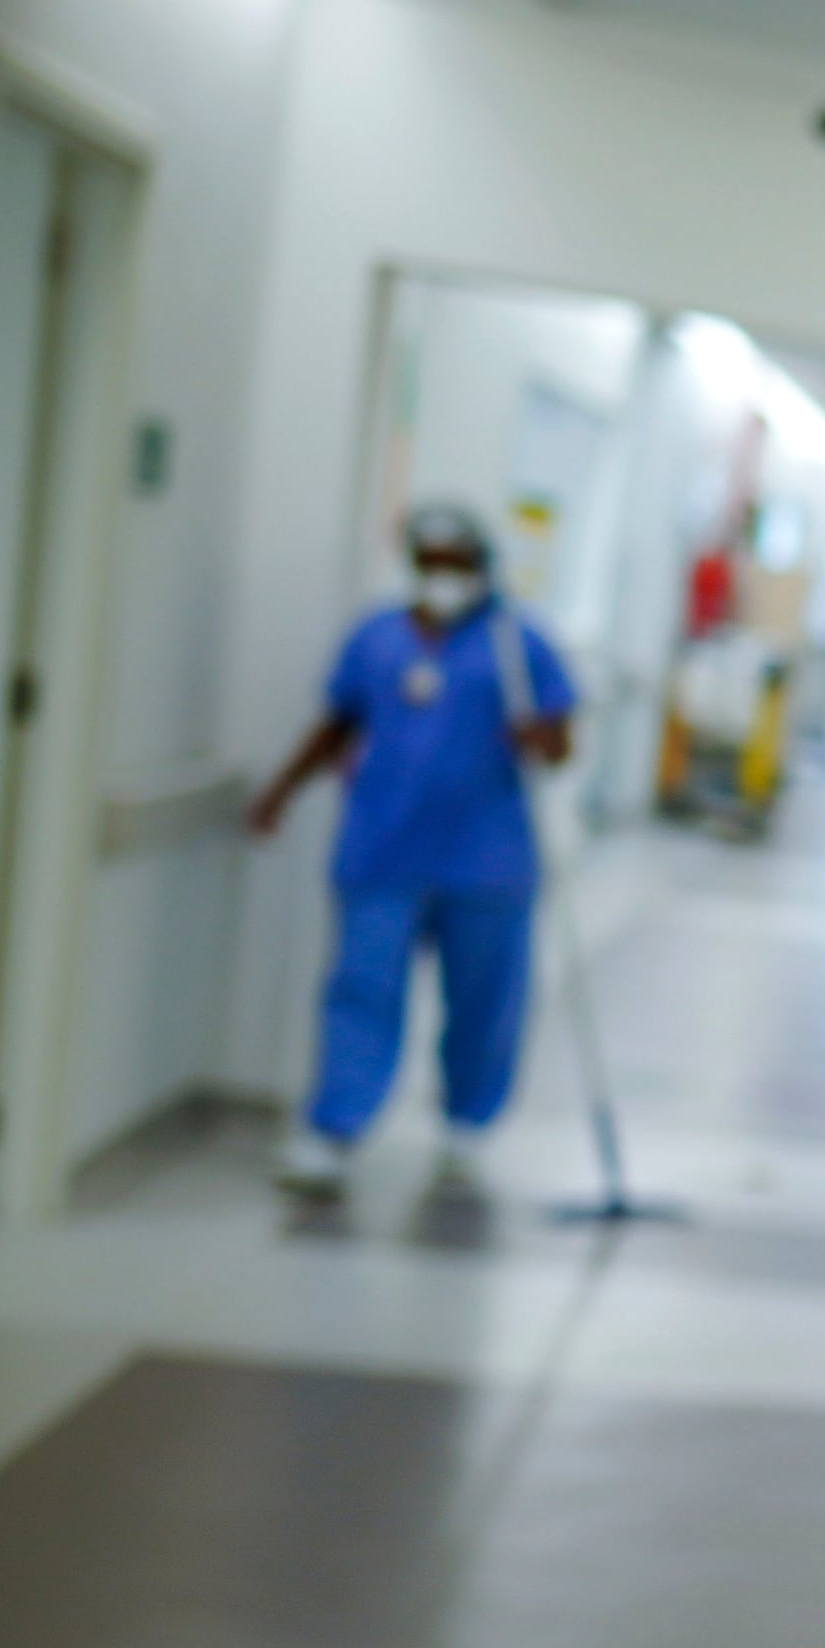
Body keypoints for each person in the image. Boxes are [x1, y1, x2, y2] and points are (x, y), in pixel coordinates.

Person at [247, 503, 578, 1197]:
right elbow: (337, 723)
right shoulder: (375, 639)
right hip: (383, 851)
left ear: (481, 567)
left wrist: (535, 736)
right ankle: (335, 1127)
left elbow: (558, 744)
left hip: (486, 863)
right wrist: (278, 792)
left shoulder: (520, 643)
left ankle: (466, 1119)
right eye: (429, 565)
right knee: (361, 992)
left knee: (484, 1000)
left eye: (456, 565)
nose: (442, 578)